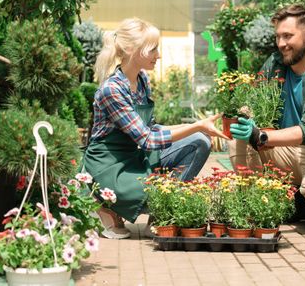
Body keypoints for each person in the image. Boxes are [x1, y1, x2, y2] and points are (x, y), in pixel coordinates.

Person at [82, 18, 227, 239]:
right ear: (132, 50)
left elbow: (151, 128)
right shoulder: (112, 90)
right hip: (111, 167)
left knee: (199, 142)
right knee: (197, 135)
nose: (158, 55)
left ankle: (160, 214)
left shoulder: (141, 80)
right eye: (153, 49)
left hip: (134, 157)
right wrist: (196, 125)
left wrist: (197, 128)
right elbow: (148, 140)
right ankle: (103, 199)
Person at [229, 3, 305, 210]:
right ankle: (262, 202)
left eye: (288, 36)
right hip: (282, 149)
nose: (281, 43)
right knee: (237, 142)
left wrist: (262, 136)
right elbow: (253, 100)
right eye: (278, 37)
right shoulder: (276, 64)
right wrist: (243, 116)